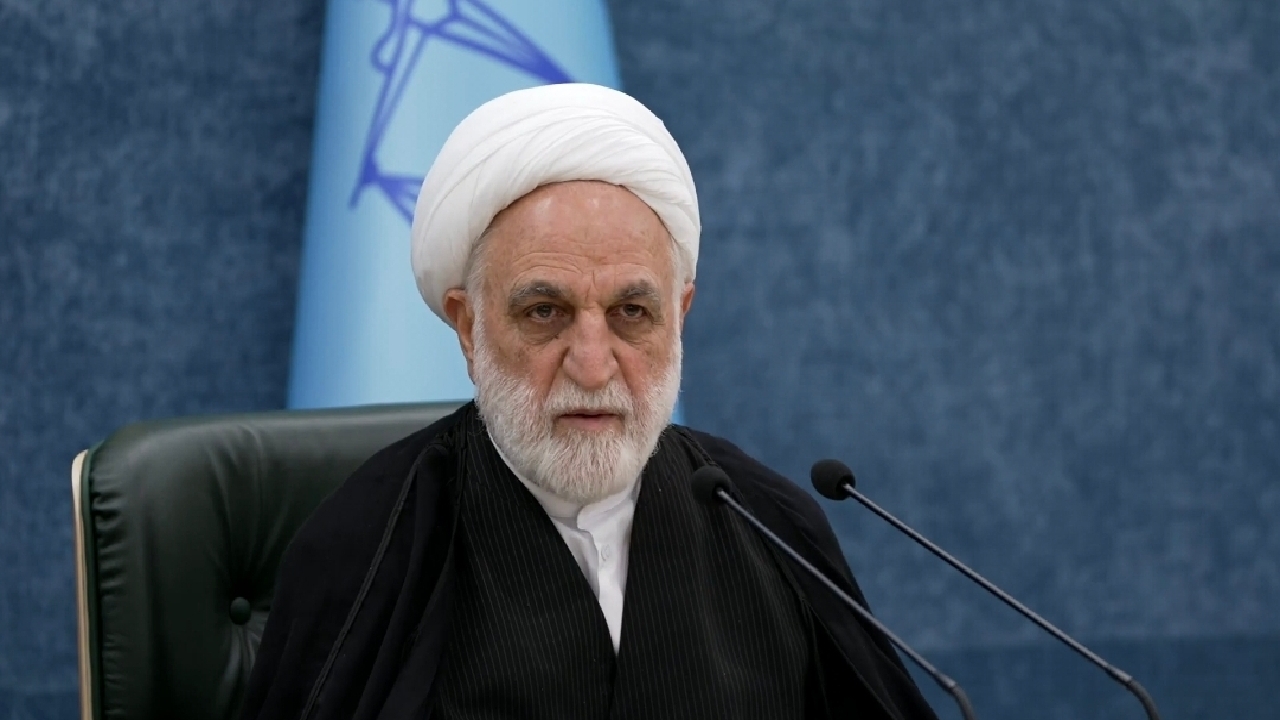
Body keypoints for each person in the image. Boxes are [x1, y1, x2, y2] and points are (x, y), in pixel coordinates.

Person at [240, 83, 937, 720]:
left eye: (632, 312)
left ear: (679, 315)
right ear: (468, 326)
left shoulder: (769, 524)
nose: (595, 366)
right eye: (545, 312)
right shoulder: (365, 547)